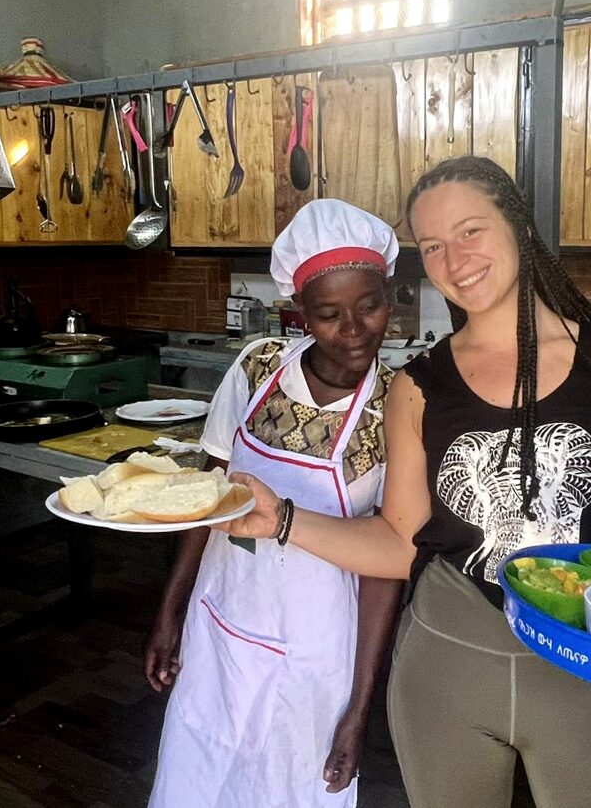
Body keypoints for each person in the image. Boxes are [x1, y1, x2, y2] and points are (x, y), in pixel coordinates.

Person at [219, 156, 591, 808]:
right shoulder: (419, 387)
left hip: (583, 664)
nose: (454, 257)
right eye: (434, 245)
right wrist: (280, 518)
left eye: (471, 230)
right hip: (448, 662)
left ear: (520, 229)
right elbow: (398, 544)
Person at [145, 199, 405, 808]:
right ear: (299, 315)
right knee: (201, 762)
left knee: (293, 780)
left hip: (318, 643)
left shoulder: (399, 405)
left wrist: (359, 710)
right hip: (223, 614)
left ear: (391, 297)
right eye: (328, 314)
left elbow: (385, 567)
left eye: (370, 306)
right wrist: (170, 610)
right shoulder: (256, 367)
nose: (354, 330)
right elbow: (206, 497)